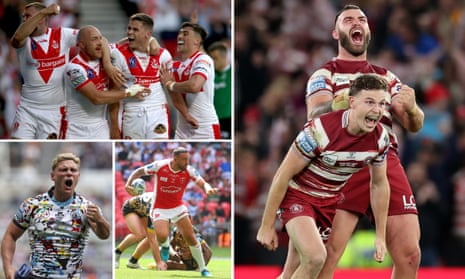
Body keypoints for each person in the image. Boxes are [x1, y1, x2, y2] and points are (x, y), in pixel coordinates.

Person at [281, 4, 424, 279]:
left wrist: (414, 108)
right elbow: (315, 115)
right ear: (336, 32)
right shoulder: (324, 75)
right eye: (348, 20)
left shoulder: (385, 76)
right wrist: (345, 103)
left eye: (362, 19)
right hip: (339, 163)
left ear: (368, 31)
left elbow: (413, 124)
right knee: (326, 256)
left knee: (410, 254)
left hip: (383, 157)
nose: (356, 23)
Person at [256, 74, 391, 279]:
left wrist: (381, 236)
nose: (377, 110)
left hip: (328, 204)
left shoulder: (380, 139)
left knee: (293, 272)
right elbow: (283, 175)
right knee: (316, 258)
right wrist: (266, 226)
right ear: (352, 102)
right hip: (298, 196)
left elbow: (379, 185)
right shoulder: (320, 131)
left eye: (382, 104)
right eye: (370, 102)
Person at [1, 152, 111, 278]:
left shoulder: (87, 207)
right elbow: (10, 235)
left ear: (78, 176)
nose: (69, 173)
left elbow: (104, 235)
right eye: (63, 170)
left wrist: (100, 220)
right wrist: (8, 267)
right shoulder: (33, 205)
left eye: (73, 170)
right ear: (53, 176)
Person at [125, 146, 217, 277]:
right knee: (162, 236)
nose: (187, 162)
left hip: (178, 208)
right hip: (159, 208)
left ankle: (203, 269)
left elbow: (202, 183)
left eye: (188, 159)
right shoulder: (160, 166)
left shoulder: (189, 170)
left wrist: (208, 189)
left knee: (191, 238)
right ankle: (166, 245)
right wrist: (128, 183)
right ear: (175, 159)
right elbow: (140, 171)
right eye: (184, 159)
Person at [62, 25, 150, 139]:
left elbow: (145, 41)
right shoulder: (74, 69)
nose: (99, 43)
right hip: (75, 130)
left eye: (100, 38)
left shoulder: (104, 55)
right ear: (82, 44)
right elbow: (96, 98)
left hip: (100, 126)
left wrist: (107, 63)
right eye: (94, 39)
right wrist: (129, 92)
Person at [9, 2, 76, 139]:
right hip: (27, 109)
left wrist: (107, 64)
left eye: (28, 16)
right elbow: (16, 39)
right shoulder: (24, 39)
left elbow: (89, 36)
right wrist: (44, 12)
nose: (25, 20)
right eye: (23, 17)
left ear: (43, 20)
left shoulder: (62, 34)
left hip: (54, 111)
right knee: (16, 141)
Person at [110, 13, 173, 139]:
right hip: (131, 112)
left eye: (135, 29)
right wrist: (114, 128)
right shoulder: (118, 54)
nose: (129, 32)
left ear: (148, 34)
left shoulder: (163, 55)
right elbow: (114, 93)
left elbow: (171, 88)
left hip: (158, 111)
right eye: (129, 28)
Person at [159, 22, 220, 140]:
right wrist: (186, 115)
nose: (180, 36)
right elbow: (174, 94)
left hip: (204, 127)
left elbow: (194, 86)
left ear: (197, 41)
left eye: (185, 34)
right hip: (182, 129)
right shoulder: (173, 65)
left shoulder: (203, 59)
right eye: (179, 34)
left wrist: (171, 84)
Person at [114, 191, 167, 270]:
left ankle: (133, 261)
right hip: (131, 208)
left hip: (143, 210)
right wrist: (159, 262)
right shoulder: (153, 208)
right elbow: (153, 240)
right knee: (140, 235)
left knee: (151, 237)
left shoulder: (165, 207)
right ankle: (117, 252)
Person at [207, 41, 232, 139]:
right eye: (211, 58)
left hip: (227, 119)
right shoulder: (209, 74)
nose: (212, 62)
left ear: (224, 57)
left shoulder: (232, 73)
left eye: (215, 58)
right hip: (212, 119)